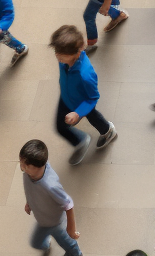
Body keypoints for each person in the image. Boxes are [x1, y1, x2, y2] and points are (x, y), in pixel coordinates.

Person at [50, 24, 117, 164]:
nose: (57, 57)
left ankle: (108, 131)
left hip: (82, 103)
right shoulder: (64, 61)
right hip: (66, 98)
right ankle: (80, 141)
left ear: (77, 53)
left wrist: (78, 113)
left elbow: (93, 97)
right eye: (56, 52)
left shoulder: (85, 74)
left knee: (94, 117)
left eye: (61, 55)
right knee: (59, 126)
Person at [18, 138, 85, 256]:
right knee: (36, 242)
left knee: (63, 240)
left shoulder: (50, 186)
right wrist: (29, 202)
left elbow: (68, 203)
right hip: (43, 217)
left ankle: (76, 255)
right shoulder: (29, 173)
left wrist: (71, 228)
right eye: (20, 162)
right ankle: (47, 241)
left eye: (25, 165)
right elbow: (30, 188)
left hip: (53, 222)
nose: (21, 167)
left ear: (40, 166)